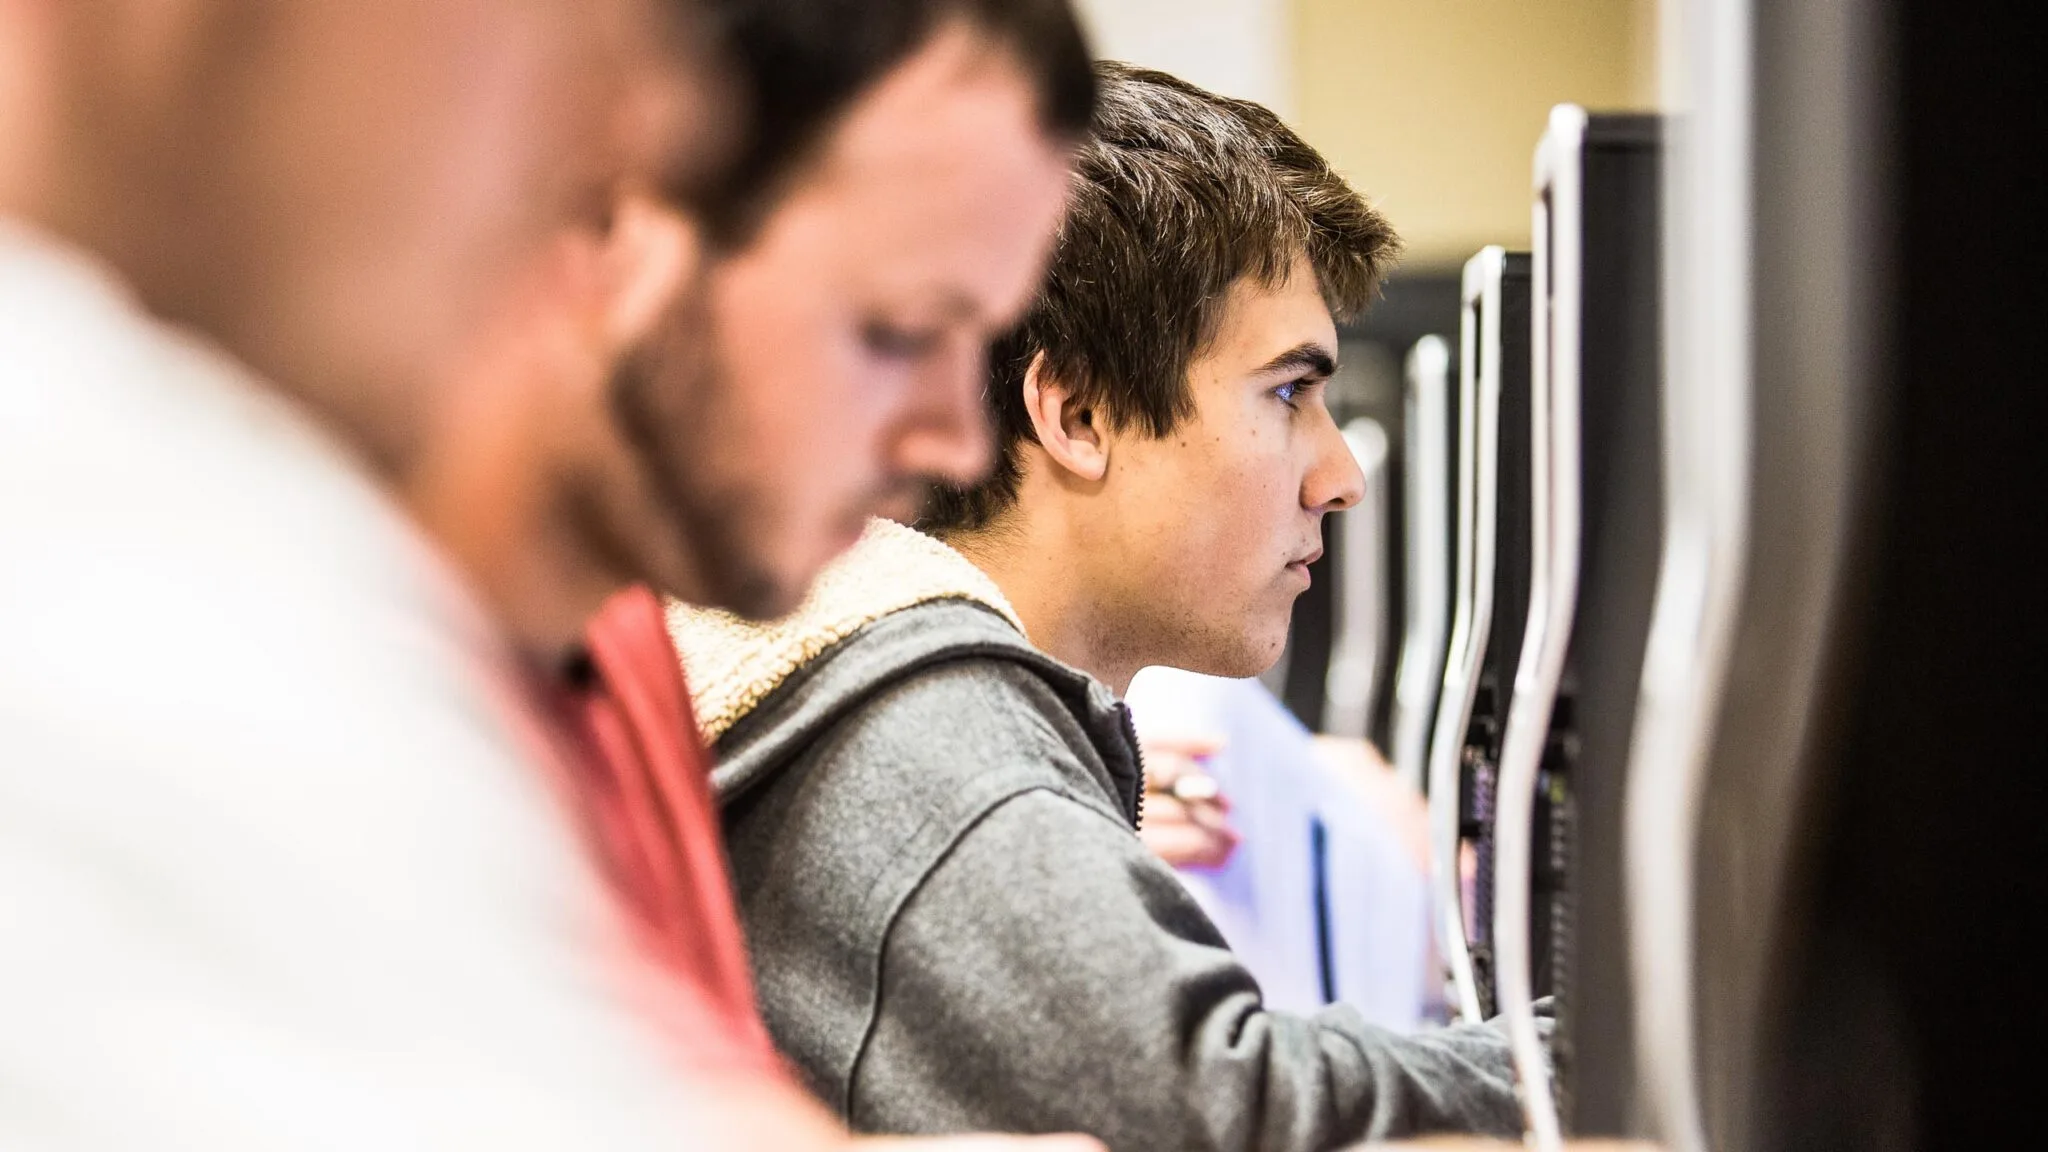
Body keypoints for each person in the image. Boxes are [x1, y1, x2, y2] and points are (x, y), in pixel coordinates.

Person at [0, 2, 1093, 1149]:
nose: (953, 442)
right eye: (897, 328)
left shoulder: (608, 647)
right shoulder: (176, 611)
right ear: (620, 221)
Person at [667, 63, 1531, 1148]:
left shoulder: (915, 702)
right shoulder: (927, 737)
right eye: (1285, 393)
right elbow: (1207, 1112)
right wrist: (1578, 1050)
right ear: (1075, 414)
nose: (1338, 474)